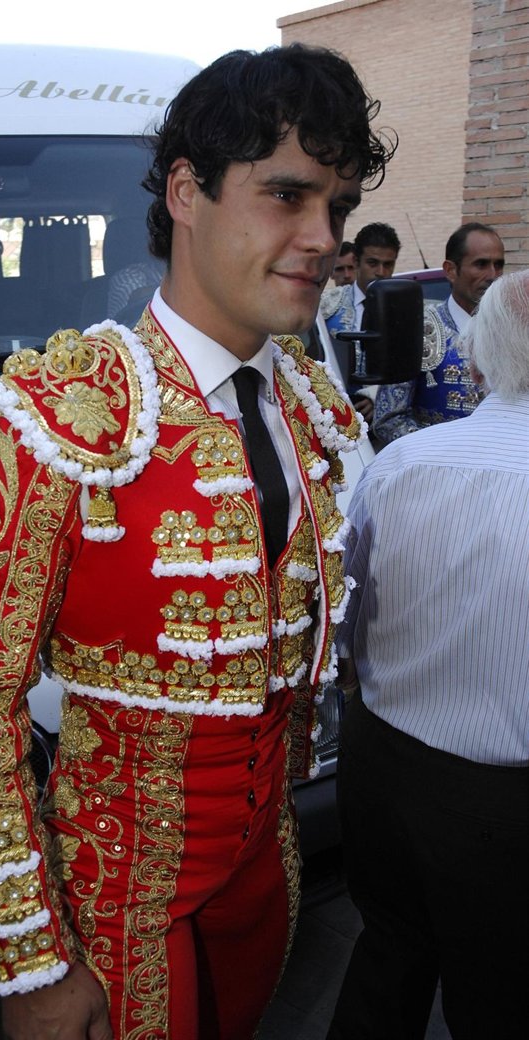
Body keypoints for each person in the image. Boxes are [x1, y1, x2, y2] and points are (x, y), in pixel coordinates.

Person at [0, 43, 394, 1040]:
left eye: (338, 208)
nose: (323, 238)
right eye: (288, 196)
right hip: (117, 903)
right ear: (188, 191)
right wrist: (32, 964)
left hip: (272, 877)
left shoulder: (312, 404)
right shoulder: (55, 412)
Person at [326, 269, 529, 1040]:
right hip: (504, 807)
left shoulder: (404, 464)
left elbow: (344, 623)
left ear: (475, 364)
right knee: (502, 998)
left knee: (389, 959)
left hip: (384, 771)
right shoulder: (403, 463)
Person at [373, 221, 505, 442]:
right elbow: (389, 418)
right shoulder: (415, 328)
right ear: (451, 270)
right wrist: (442, 453)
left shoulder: (513, 330)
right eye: (481, 264)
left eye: (498, 265)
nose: (493, 275)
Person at [320, 221, 401, 422]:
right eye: (373, 263)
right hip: (330, 418)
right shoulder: (327, 304)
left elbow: (414, 370)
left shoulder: (404, 309)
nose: (381, 272)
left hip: (383, 422)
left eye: (388, 264)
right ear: (356, 262)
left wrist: (377, 395)